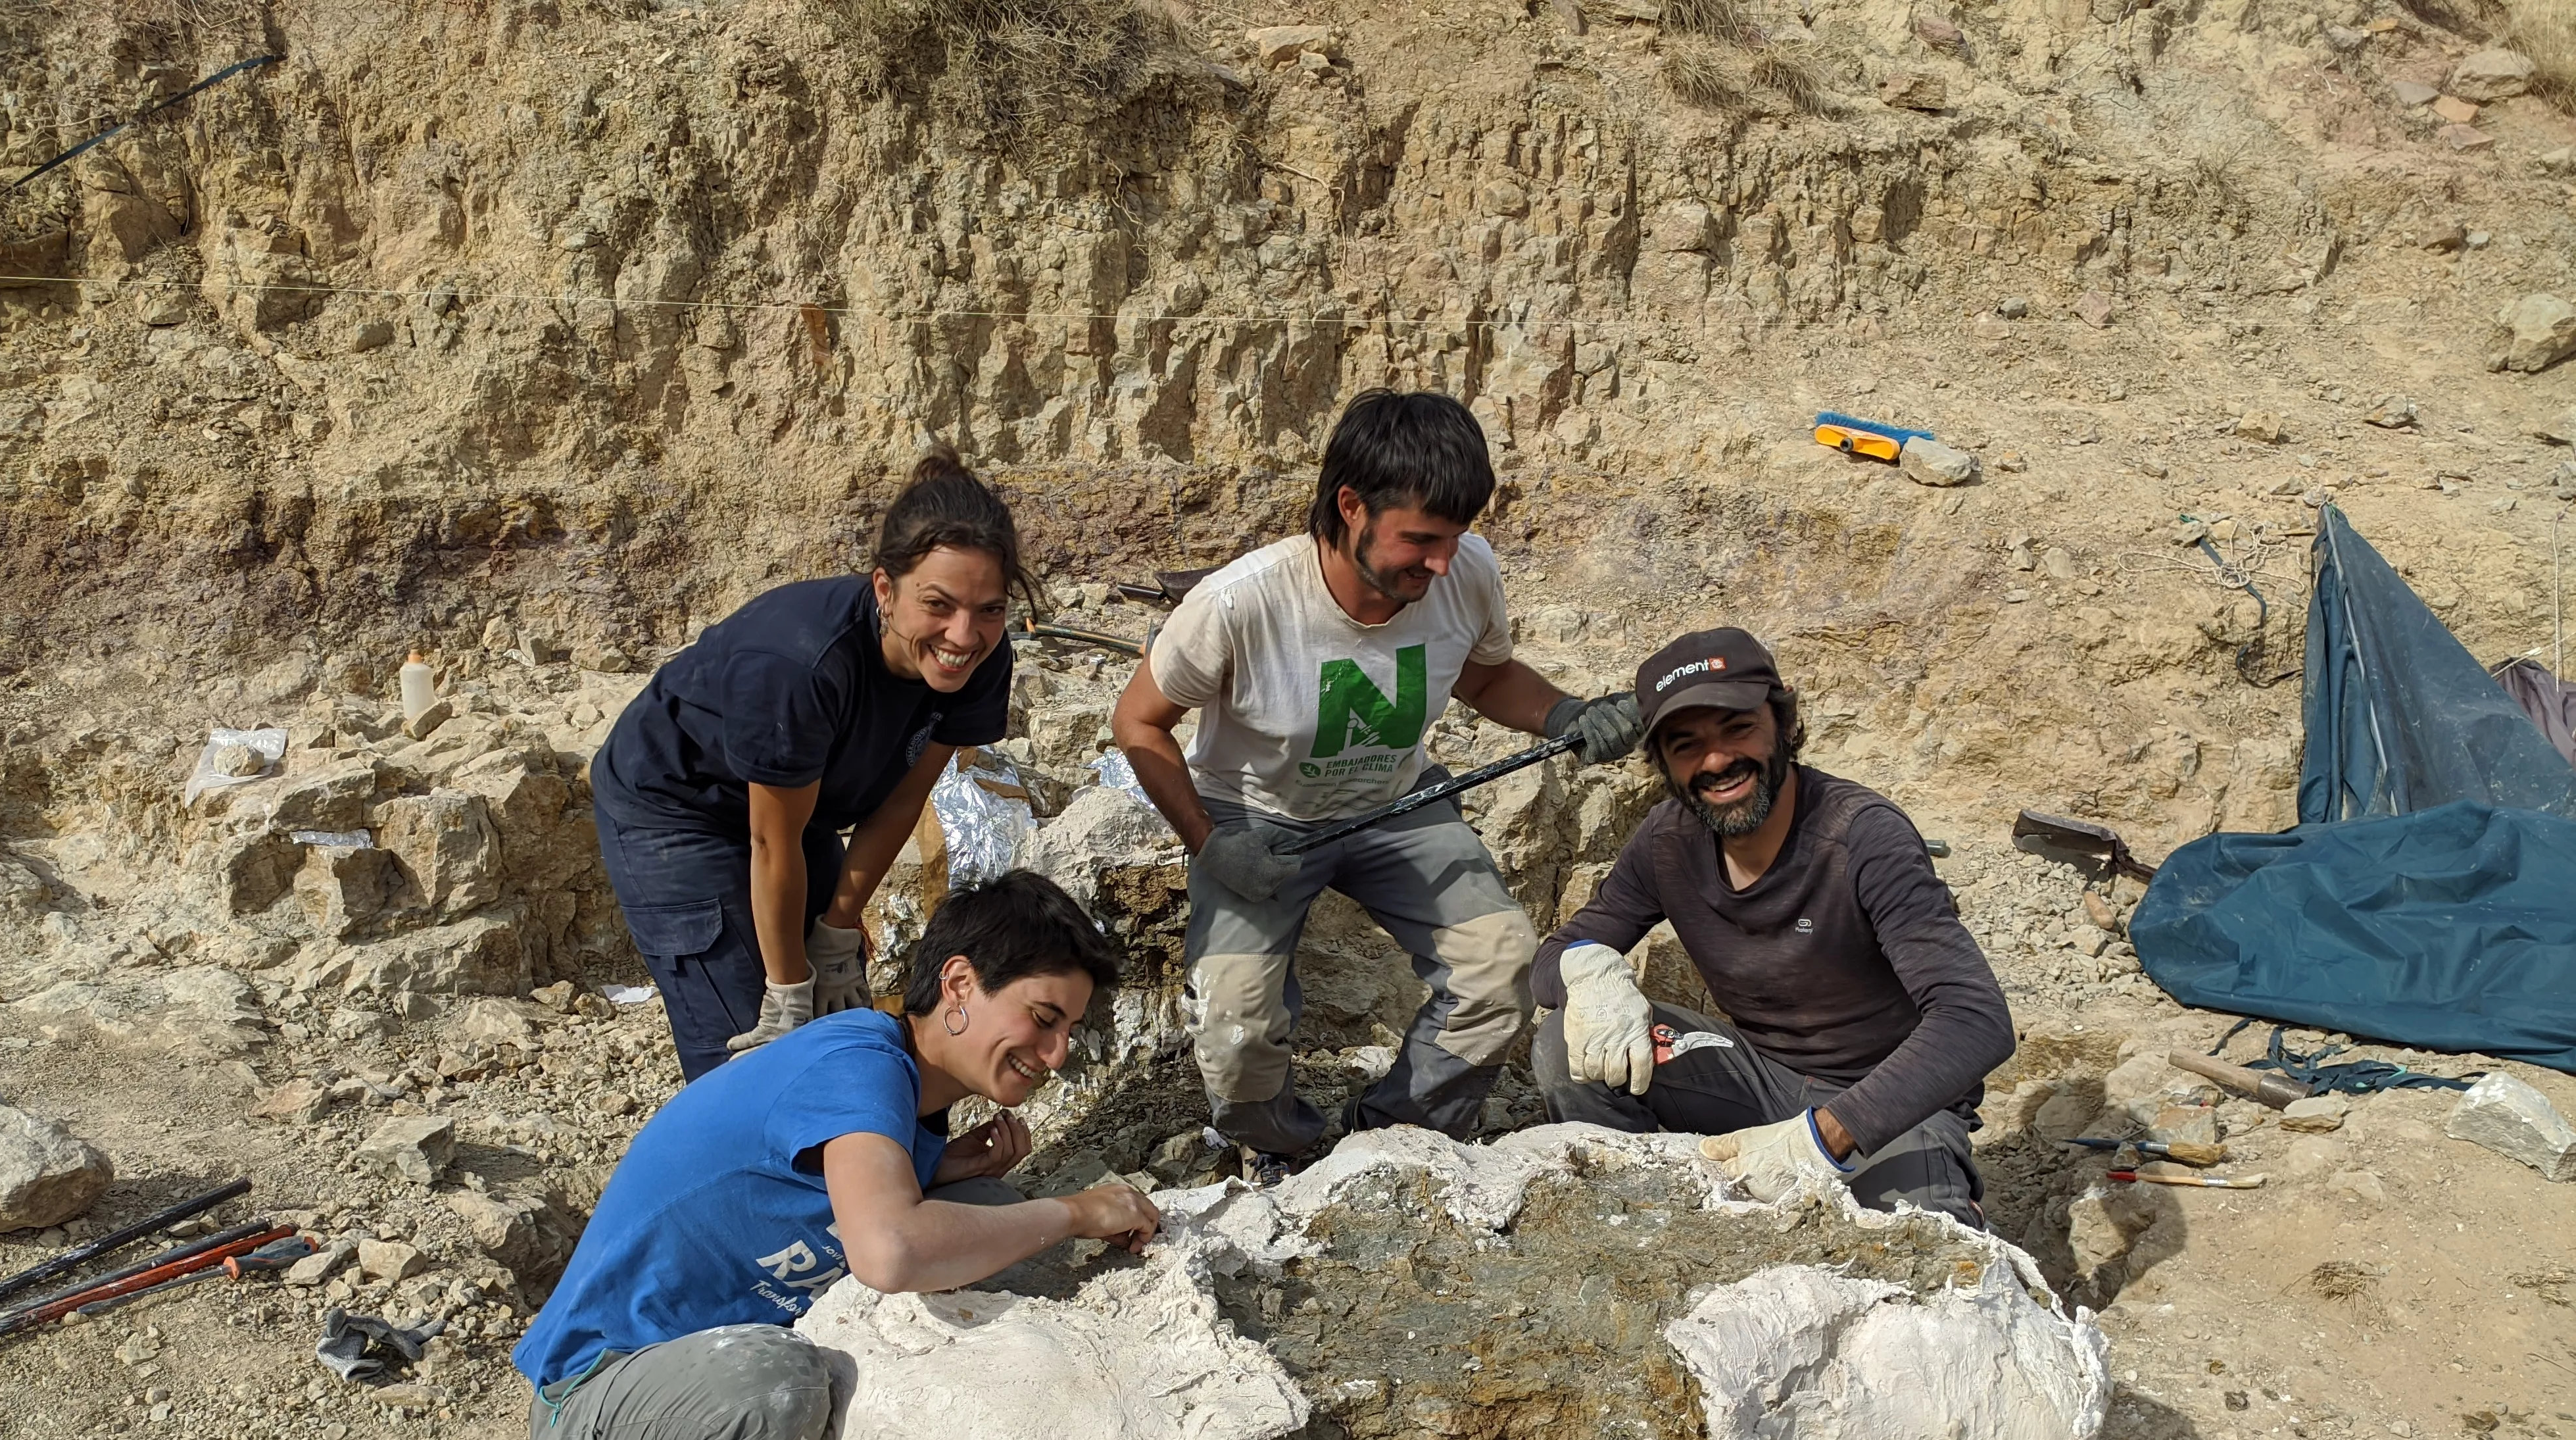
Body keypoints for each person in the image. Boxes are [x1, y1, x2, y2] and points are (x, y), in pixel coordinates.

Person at [512, 872, 1162, 1440]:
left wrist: (952, 1169)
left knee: (987, 1214)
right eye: (1042, 1018)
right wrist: (1071, 1212)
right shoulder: (854, 1064)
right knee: (776, 1382)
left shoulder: (900, 1097)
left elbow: (887, 1204)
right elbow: (888, 1253)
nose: (1058, 1053)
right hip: (593, 1411)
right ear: (959, 984)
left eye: (1069, 1028)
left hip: (683, 1381)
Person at [1110, 389, 1641, 1167]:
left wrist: (1564, 716)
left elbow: (1483, 679)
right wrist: (1210, 842)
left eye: (1456, 539)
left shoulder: (1463, 574)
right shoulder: (1239, 604)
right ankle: (1285, 1149)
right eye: (1421, 540)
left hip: (1397, 806)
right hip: (1256, 822)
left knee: (1499, 969)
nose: (1442, 563)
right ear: (1350, 506)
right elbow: (1137, 722)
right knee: (1236, 1028)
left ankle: (1397, 1142)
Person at [1529, 628, 2013, 1224]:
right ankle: (1641, 1225)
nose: (1717, 761)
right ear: (1663, 764)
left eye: (1738, 729)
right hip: (1759, 1079)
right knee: (1566, 1043)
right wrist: (1588, 971)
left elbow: (1975, 1019)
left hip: (1892, 1102)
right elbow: (1553, 958)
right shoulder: (1667, 840)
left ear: (1783, 724)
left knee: (1920, 1254)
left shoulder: (1860, 836)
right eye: (1687, 745)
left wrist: (1822, 1138)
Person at [589, 448, 1025, 1081]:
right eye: (939, 605)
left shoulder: (982, 660)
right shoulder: (802, 664)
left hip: (799, 804)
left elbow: (902, 802)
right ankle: (742, 1168)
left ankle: (863, 1172)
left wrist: (838, 929)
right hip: (678, 804)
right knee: (754, 1047)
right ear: (885, 588)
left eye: (990, 608)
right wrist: (787, 986)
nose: (964, 635)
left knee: (838, 1017)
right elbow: (772, 840)